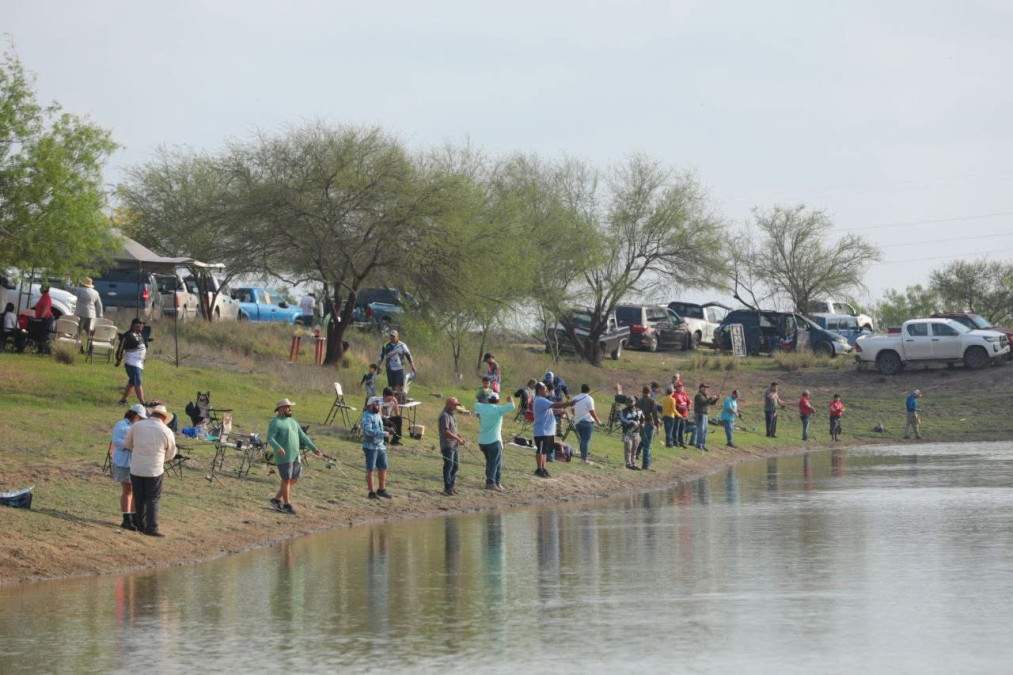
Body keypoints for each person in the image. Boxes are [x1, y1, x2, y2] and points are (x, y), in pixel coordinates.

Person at [123, 404, 177, 537]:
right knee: (153, 498)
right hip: (154, 469)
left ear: (151, 414)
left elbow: (127, 444)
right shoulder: (166, 431)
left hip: (136, 468)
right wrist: (161, 459)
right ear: (164, 418)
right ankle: (151, 527)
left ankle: (140, 525)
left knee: (139, 497)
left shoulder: (137, 426)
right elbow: (171, 453)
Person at [267, 398, 320, 515]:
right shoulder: (275, 422)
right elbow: (270, 438)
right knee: (286, 480)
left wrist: (314, 448)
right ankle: (287, 505)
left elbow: (303, 437)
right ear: (280, 409)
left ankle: (276, 500)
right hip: (284, 457)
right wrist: (278, 447)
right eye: (287, 407)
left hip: (295, 455)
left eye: (290, 407)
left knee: (294, 479)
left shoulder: (293, 421)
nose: (290, 409)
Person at [110, 404, 147, 530]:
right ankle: (127, 519)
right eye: (141, 418)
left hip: (133, 462)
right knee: (128, 490)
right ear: (136, 415)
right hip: (124, 462)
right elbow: (117, 441)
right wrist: (133, 446)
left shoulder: (133, 426)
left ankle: (133, 518)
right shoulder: (122, 425)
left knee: (135, 491)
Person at [474, 392, 515, 490]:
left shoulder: (481, 407)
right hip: (494, 441)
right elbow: (512, 406)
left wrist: (485, 403)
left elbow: (476, 404)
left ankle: (497, 482)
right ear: (498, 401)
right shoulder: (499, 409)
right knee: (494, 462)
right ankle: (490, 482)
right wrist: (510, 399)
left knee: (494, 462)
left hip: (483, 441)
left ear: (488, 400)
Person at [532, 382, 572, 478]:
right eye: (544, 389)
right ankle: (539, 469)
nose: (546, 391)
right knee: (540, 450)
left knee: (545, 451)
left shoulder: (543, 400)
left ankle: (543, 468)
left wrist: (561, 409)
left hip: (548, 431)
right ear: (539, 390)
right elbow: (554, 404)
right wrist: (568, 403)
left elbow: (551, 409)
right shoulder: (540, 400)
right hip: (542, 431)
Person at [362, 397, 393, 499]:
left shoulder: (377, 415)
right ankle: (371, 493)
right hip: (371, 447)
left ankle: (381, 490)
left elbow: (378, 427)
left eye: (379, 405)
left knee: (383, 467)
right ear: (370, 405)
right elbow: (368, 431)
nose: (379, 407)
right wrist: (383, 433)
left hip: (380, 445)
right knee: (370, 469)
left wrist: (388, 429)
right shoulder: (367, 416)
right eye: (376, 405)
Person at [116, 318, 148, 406]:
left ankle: (122, 400)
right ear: (134, 326)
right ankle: (143, 403)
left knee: (132, 382)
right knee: (138, 382)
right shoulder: (128, 335)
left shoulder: (139, 334)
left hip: (139, 363)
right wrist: (119, 359)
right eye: (140, 325)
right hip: (132, 363)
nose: (142, 327)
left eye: (142, 325)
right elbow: (121, 348)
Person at [438, 397, 467, 495]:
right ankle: (447, 488)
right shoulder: (444, 415)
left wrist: (460, 437)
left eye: (456, 405)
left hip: (454, 445)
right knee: (449, 465)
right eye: (454, 405)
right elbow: (446, 432)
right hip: (447, 445)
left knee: (455, 466)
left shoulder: (452, 415)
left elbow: (454, 429)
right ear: (448, 404)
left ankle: (451, 486)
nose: (455, 407)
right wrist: (457, 439)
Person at [571, 384, 603, 464]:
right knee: (585, 441)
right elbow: (592, 411)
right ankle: (584, 460)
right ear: (589, 390)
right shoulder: (589, 399)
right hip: (587, 422)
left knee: (582, 441)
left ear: (581, 389)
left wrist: (576, 416)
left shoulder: (575, 398)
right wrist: (598, 421)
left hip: (577, 422)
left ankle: (583, 458)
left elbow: (572, 409)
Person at [74, 277, 103, 352]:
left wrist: (78, 286)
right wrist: (100, 315)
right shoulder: (96, 292)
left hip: (81, 314)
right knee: (90, 333)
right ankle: (91, 348)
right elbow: (99, 305)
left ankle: (80, 348)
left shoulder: (80, 290)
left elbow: (70, 289)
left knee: (79, 332)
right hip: (91, 315)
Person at [636, 385, 661, 469]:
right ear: (650, 392)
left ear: (642, 392)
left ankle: (639, 457)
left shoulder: (638, 401)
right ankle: (646, 465)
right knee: (648, 445)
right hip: (648, 424)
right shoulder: (652, 401)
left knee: (643, 441)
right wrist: (658, 426)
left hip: (640, 424)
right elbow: (654, 414)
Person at [619, 396, 645, 470]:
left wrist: (642, 425)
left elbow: (643, 420)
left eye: (631, 402)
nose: (630, 404)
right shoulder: (623, 411)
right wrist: (631, 423)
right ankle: (628, 463)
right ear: (626, 403)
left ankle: (633, 463)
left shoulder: (640, 411)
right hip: (627, 433)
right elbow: (622, 420)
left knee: (634, 449)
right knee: (628, 448)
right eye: (628, 402)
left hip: (636, 433)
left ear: (634, 402)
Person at [693, 383, 720, 451]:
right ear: (700, 388)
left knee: (705, 430)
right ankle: (699, 444)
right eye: (704, 387)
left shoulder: (705, 396)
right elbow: (703, 403)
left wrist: (716, 399)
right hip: (700, 415)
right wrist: (711, 398)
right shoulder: (698, 395)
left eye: (707, 388)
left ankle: (703, 444)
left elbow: (711, 403)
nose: (706, 389)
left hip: (705, 415)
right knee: (701, 430)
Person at [673, 382, 691, 448]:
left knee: (682, 429)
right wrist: (679, 407)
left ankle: (682, 442)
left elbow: (688, 401)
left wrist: (689, 406)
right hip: (678, 414)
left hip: (684, 414)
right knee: (676, 428)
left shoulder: (684, 393)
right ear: (676, 387)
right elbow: (674, 404)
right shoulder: (674, 394)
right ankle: (675, 441)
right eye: (679, 387)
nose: (680, 388)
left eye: (681, 386)